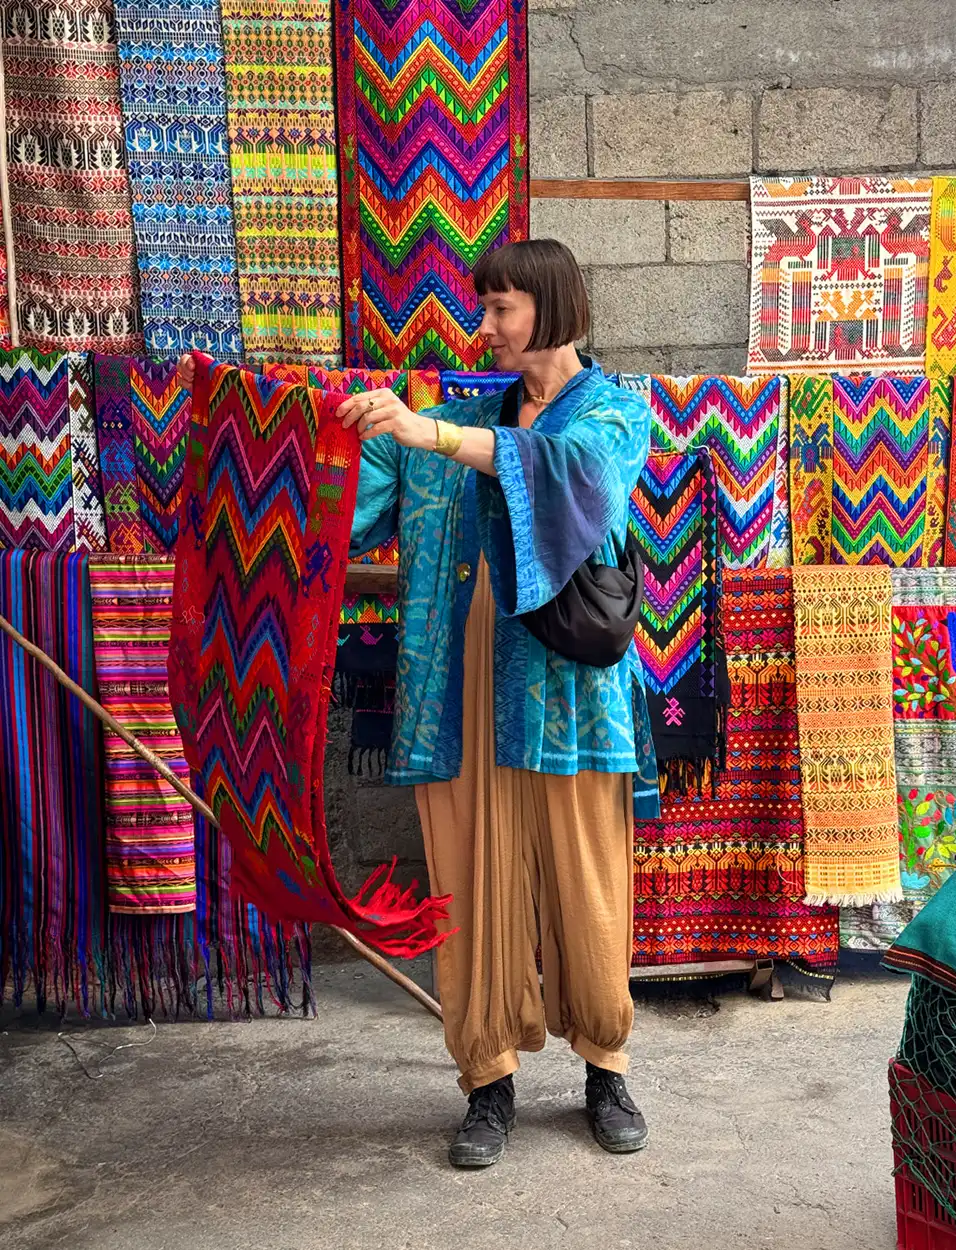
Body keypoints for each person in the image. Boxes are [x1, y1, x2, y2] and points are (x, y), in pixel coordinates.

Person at [178, 238, 656, 1168]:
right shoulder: (450, 427)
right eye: (483, 308)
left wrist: (426, 430)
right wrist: (262, 446)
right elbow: (342, 505)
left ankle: (607, 1066)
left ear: (554, 310)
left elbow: (566, 474)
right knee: (468, 884)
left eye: (502, 309)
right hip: (460, 687)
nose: (483, 328)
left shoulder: (615, 416)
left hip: (567, 695)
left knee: (588, 882)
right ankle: (487, 1081)